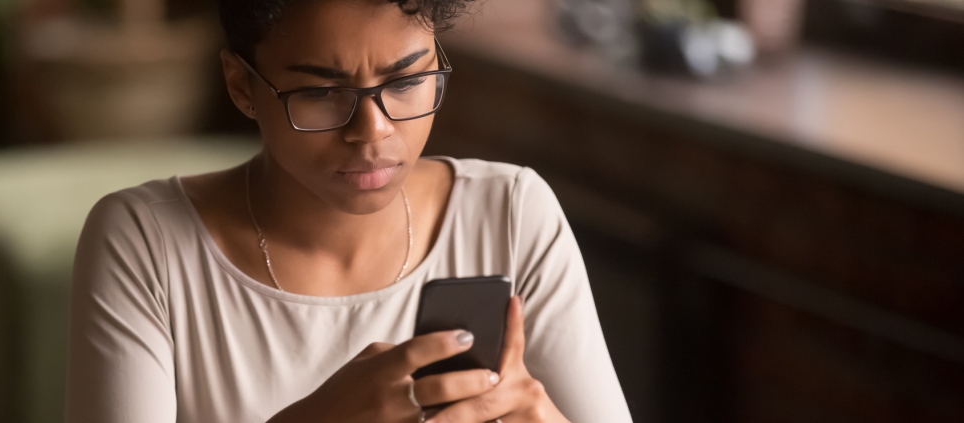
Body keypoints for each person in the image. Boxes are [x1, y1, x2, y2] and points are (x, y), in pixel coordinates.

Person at [64, 0, 633, 420]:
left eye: (407, 80)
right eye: (321, 93)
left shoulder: (510, 213)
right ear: (242, 85)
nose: (374, 131)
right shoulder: (145, 242)